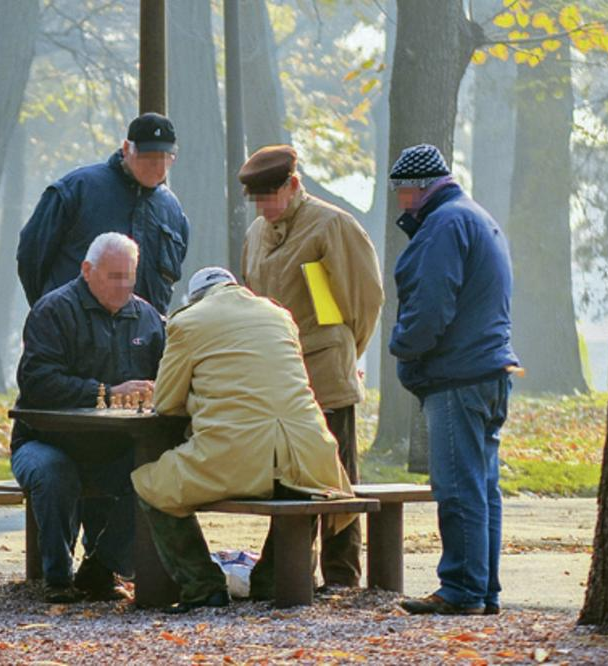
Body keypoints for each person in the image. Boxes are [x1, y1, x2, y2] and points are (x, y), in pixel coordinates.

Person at [131, 268, 354, 613]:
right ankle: (272, 581)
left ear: (195, 299)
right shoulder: (280, 316)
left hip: (235, 455)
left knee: (150, 485)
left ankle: (202, 586)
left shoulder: (188, 322)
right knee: (305, 490)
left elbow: (166, 402)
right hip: (309, 451)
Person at [239, 145, 384, 588]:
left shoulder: (331, 225)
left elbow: (363, 300)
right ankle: (288, 568)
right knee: (285, 472)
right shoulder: (256, 233)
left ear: (293, 185)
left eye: (270, 196)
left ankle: (341, 574)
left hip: (325, 371)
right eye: (257, 199)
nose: (264, 207)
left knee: (336, 476)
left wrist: (345, 352)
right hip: (279, 375)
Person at [386, 143, 519, 616]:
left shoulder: (444, 225)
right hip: (488, 371)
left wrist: (402, 346)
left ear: (420, 187)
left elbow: (430, 306)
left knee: (457, 486)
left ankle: (461, 587)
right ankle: (484, 588)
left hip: (457, 375)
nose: (401, 202)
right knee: (481, 486)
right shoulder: (474, 217)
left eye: (402, 192)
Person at [11, 232, 165, 603]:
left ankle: (103, 566)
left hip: (114, 448)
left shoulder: (147, 318)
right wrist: (107, 392)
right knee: (53, 472)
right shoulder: (53, 311)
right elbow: (37, 382)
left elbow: (167, 375)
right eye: (114, 276)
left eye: (129, 276)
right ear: (87, 270)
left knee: (161, 471)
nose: (124, 286)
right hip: (46, 441)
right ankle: (57, 577)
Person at [17, 112, 189, 315]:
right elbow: (31, 256)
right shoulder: (77, 189)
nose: (157, 166)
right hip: (71, 328)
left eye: (165, 157)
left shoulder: (173, 212)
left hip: (141, 332)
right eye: (148, 156)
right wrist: (52, 315)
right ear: (126, 149)